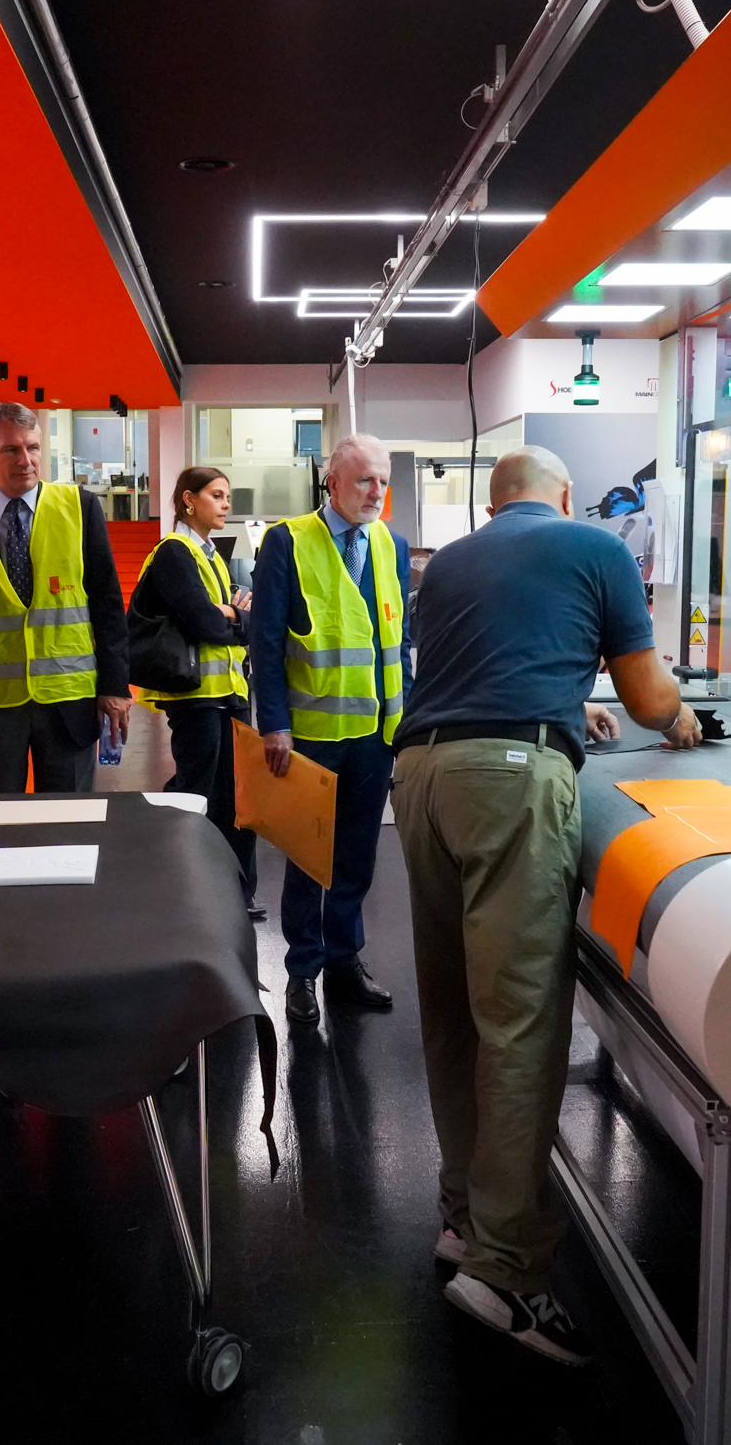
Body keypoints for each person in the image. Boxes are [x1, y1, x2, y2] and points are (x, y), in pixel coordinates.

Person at [391, 446, 698, 1368]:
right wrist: (677, 717)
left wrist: (568, 702)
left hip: (421, 777)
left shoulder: (451, 561)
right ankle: (509, 1270)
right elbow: (647, 695)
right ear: (565, 497)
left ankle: (464, 1219)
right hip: (510, 785)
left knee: (454, 1013)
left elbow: (492, 664)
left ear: (495, 505)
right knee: (519, 1022)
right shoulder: (597, 546)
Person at [249, 433, 413, 1026]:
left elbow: (399, 642)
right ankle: (301, 970)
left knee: (357, 856)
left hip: (374, 736)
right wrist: (274, 723)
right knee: (306, 855)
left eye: (383, 481)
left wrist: (407, 725)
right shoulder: (288, 541)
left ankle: (345, 962)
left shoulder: (391, 545)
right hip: (309, 734)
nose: (376, 492)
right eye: (365, 479)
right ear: (333, 482)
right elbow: (265, 640)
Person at [0, 401, 130, 793]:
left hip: (70, 701)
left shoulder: (81, 508)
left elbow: (107, 604)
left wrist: (115, 687)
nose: (26, 460)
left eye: (33, 447)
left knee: (69, 818)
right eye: (11, 449)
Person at [129, 466, 261, 918]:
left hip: (230, 696)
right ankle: (176, 882)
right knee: (196, 793)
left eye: (227, 496)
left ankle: (235, 891)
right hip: (196, 700)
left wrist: (233, 615)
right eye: (217, 495)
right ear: (189, 500)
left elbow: (244, 622)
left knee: (238, 797)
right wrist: (231, 616)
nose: (226, 504)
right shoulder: (174, 552)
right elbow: (205, 623)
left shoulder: (211, 556)